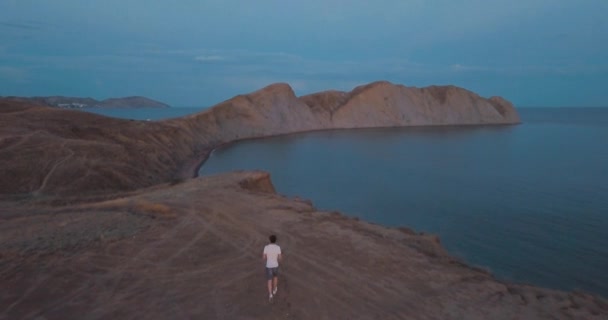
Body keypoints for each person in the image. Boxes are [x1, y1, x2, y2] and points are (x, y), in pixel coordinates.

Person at [263, 234, 282, 301]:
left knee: (269, 280)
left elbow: (264, 257)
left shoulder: (266, 247)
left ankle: (270, 295)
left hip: (269, 266)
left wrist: (267, 258)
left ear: (269, 240)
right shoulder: (278, 247)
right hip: (275, 265)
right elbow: (280, 258)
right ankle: (274, 289)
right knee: (275, 277)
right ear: (275, 240)